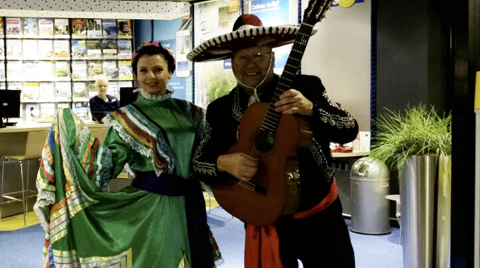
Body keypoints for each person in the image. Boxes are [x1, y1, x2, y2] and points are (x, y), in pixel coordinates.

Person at [188, 14, 358, 268]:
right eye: (241, 57)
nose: (250, 64)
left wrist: (312, 109)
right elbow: (198, 163)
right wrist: (224, 163)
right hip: (264, 217)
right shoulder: (220, 110)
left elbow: (348, 129)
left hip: (320, 217)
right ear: (231, 61)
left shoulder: (306, 87)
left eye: (258, 55)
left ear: (272, 56)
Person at [34, 41, 222, 267]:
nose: (150, 76)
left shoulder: (191, 112)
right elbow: (108, 164)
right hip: (151, 210)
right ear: (135, 75)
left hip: (190, 201)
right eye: (143, 71)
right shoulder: (125, 118)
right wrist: (70, 139)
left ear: (170, 72)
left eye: (158, 69)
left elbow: (205, 155)